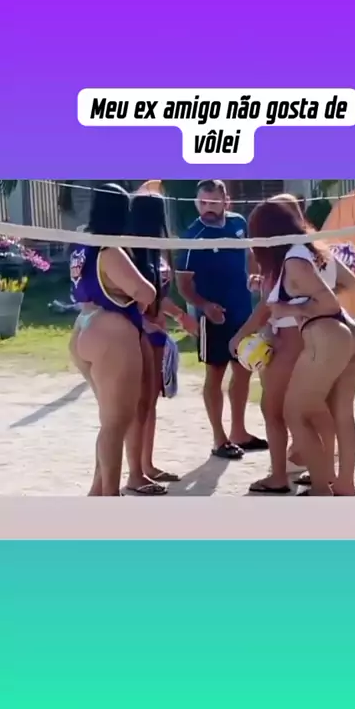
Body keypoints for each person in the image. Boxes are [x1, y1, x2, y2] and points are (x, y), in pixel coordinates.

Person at [248, 198, 355, 496]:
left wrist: (289, 309)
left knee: (295, 414)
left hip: (326, 333)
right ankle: (342, 483)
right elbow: (347, 285)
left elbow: (328, 303)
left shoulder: (294, 260)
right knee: (339, 414)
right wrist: (301, 298)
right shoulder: (314, 248)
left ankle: (321, 487)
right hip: (348, 332)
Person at [230, 194, 336, 493]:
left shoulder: (293, 259)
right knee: (313, 413)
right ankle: (323, 473)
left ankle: (282, 476)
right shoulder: (314, 250)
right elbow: (339, 288)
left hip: (292, 342)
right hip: (317, 341)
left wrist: (242, 334)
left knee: (277, 412)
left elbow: (272, 307)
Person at [68, 183, 157, 496]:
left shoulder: (82, 244)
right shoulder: (110, 249)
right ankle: (109, 496)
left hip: (83, 327)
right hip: (111, 331)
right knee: (116, 423)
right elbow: (146, 292)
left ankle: (99, 490)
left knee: (110, 422)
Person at [175, 179, 268, 459]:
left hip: (243, 311)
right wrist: (204, 306)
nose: (207, 208)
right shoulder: (193, 237)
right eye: (202, 202)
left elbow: (249, 254)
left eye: (213, 202)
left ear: (226, 201)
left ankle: (239, 432)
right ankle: (219, 439)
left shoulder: (238, 223)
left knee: (243, 370)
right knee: (215, 374)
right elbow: (183, 284)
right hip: (212, 318)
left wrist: (255, 275)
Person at [127, 189, 197, 491]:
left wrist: (179, 316)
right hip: (140, 335)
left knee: (150, 403)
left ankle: (147, 465)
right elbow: (130, 299)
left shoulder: (155, 252)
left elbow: (159, 297)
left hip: (156, 335)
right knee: (140, 404)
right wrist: (147, 326)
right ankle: (135, 473)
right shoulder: (130, 252)